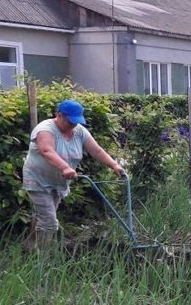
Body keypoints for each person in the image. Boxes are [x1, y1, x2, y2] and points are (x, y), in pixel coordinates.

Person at [23, 99, 124, 249]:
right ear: (59, 115)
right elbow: (47, 151)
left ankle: (29, 246)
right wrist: (65, 168)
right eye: (70, 121)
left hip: (58, 182)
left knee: (43, 216)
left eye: (76, 121)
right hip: (38, 179)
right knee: (49, 222)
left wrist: (114, 165)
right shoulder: (45, 129)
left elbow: (96, 150)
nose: (74, 125)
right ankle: (43, 259)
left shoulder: (79, 131)